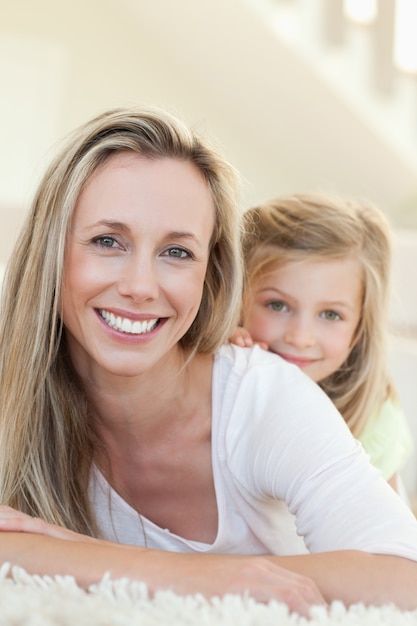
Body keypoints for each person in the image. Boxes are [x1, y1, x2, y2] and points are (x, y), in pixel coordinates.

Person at [1, 107, 417, 616]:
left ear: (211, 274)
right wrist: (192, 574)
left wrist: (82, 558)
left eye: (177, 252)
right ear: (51, 250)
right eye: (107, 241)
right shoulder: (11, 392)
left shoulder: (264, 398)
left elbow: (403, 575)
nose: (139, 286)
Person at [231, 193, 413, 495]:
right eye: (277, 305)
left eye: (330, 314)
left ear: (359, 330)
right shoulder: (212, 375)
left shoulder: (373, 424)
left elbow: (389, 540)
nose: (300, 337)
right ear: (236, 301)